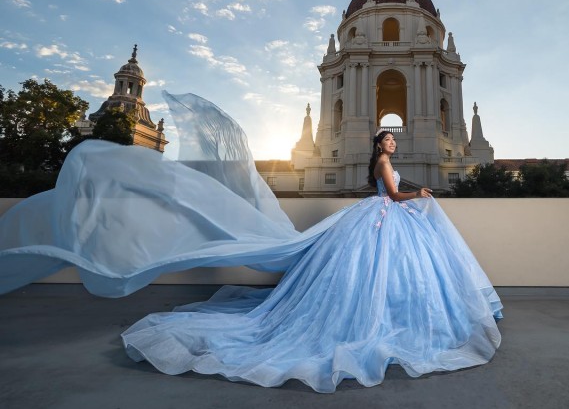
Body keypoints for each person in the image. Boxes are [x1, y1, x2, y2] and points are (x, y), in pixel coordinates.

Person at [0, 93, 502, 393]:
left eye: (392, 138)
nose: (392, 140)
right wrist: (417, 195)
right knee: (382, 281)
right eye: (388, 139)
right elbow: (392, 192)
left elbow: (392, 186)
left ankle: (381, 318)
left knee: (368, 280)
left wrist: (413, 190)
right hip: (383, 217)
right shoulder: (385, 164)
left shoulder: (380, 160)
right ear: (380, 146)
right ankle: (386, 324)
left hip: (373, 219)